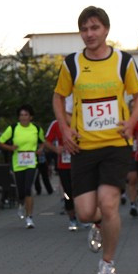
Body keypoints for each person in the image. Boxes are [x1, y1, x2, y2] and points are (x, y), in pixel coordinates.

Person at [52, 6, 138, 274]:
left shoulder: (122, 62)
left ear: (106, 30)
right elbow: (58, 97)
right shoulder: (73, 64)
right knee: (84, 212)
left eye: (95, 28)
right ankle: (96, 225)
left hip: (116, 145)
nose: (89, 34)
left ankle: (108, 263)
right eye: (84, 29)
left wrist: (132, 123)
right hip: (83, 148)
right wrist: (65, 128)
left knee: (108, 204)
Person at [0, 104, 44, 229]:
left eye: (26, 115)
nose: (23, 117)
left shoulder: (36, 129)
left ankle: (29, 217)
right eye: (21, 115)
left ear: (31, 117)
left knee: (28, 189)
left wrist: (40, 149)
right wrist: (10, 148)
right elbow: (0, 142)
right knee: (21, 190)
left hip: (31, 162)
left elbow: (44, 142)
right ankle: (21, 203)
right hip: (18, 162)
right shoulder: (13, 128)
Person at [45, 96, 78, 231]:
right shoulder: (56, 124)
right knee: (68, 192)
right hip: (64, 164)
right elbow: (46, 141)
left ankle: (85, 217)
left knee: (81, 192)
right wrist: (55, 149)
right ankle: (72, 218)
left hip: (80, 163)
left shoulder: (80, 122)